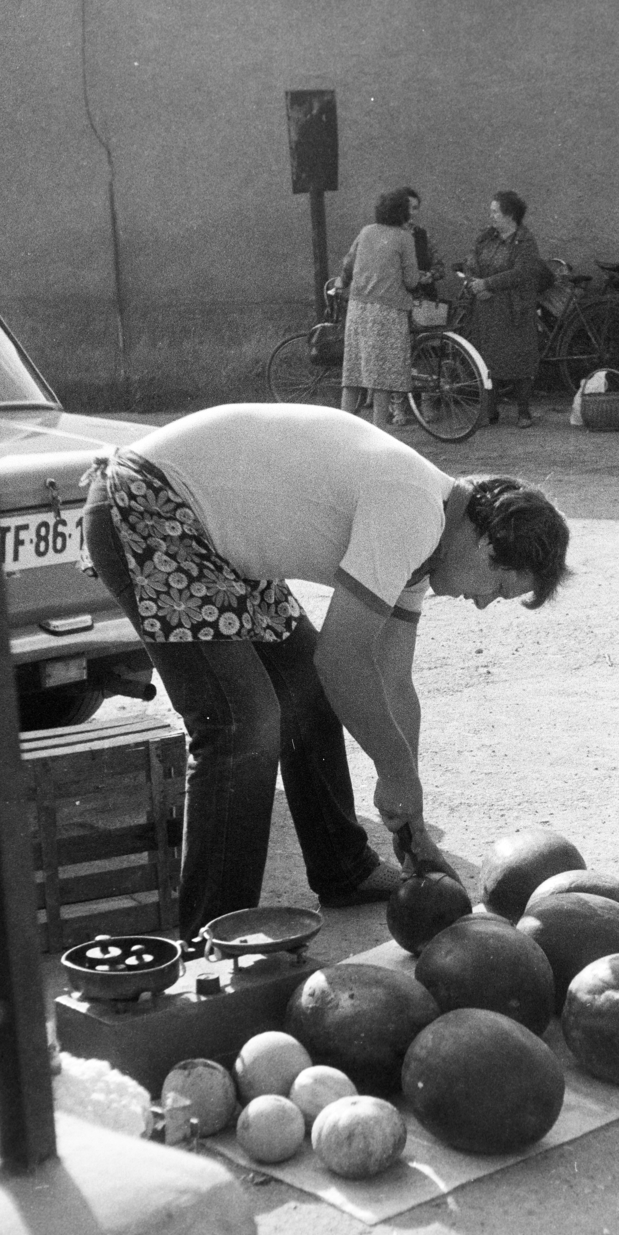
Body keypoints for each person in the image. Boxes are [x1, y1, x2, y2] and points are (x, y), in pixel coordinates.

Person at [81, 404, 571, 941]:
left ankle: (343, 867)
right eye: (498, 589)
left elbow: (391, 677)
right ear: (487, 542)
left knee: (308, 692)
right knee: (244, 723)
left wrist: (413, 813)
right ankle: (211, 936)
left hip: (213, 543)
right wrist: (396, 773)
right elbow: (342, 659)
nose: (481, 604)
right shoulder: (413, 508)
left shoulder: (430, 539)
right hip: (149, 506)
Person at [339, 187, 422, 433]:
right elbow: (411, 280)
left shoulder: (366, 232)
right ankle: (378, 430)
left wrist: (343, 281)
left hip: (358, 308)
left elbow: (348, 263)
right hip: (388, 311)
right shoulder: (404, 238)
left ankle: (343, 429)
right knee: (382, 373)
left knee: (354, 368)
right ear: (401, 213)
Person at [464, 191, 546, 428]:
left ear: (510, 215)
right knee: (487, 359)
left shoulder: (524, 241)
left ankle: (523, 412)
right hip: (487, 309)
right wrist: (475, 283)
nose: (491, 216)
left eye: (495, 212)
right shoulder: (486, 237)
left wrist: (489, 285)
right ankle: (491, 409)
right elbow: (472, 261)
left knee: (519, 360)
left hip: (514, 310)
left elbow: (522, 272)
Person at [390, 187, 447, 428]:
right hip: (398, 302)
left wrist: (428, 276)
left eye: (415, 209)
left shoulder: (422, 236)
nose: (411, 213)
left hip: (423, 302)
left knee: (427, 353)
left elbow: (440, 266)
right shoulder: (388, 234)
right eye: (408, 208)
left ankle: (427, 402)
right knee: (398, 354)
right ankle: (398, 405)